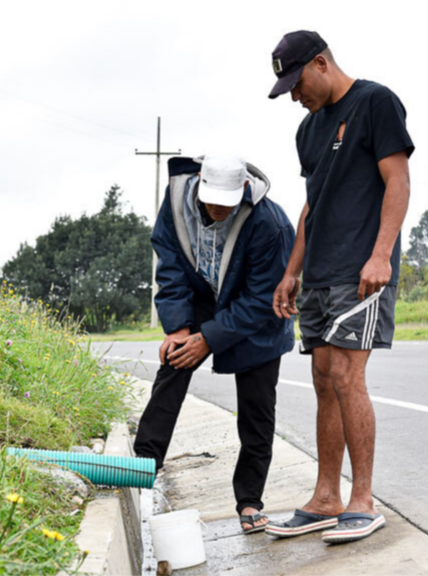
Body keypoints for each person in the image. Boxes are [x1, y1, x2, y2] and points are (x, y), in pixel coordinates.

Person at [264, 31, 413, 544]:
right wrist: (291, 271)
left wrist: (380, 254)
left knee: (348, 374)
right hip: (321, 272)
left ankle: (363, 500)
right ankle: (326, 498)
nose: (294, 95)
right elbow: (311, 205)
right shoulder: (308, 132)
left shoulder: (375, 102)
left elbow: (398, 180)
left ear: (321, 63)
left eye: (297, 82)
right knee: (324, 377)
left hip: (360, 269)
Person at [133, 154, 295, 534]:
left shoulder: (270, 223)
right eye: (211, 200)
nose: (217, 209)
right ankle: (143, 463)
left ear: (242, 190)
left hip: (257, 318)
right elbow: (170, 261)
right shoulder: (177, 201)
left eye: (227, 202)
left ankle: (250, 500)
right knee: (174, 362)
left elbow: (261, 298)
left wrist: (210, 339)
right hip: (202, 299)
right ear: (200, 185)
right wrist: (178, 327)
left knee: (257, 410)